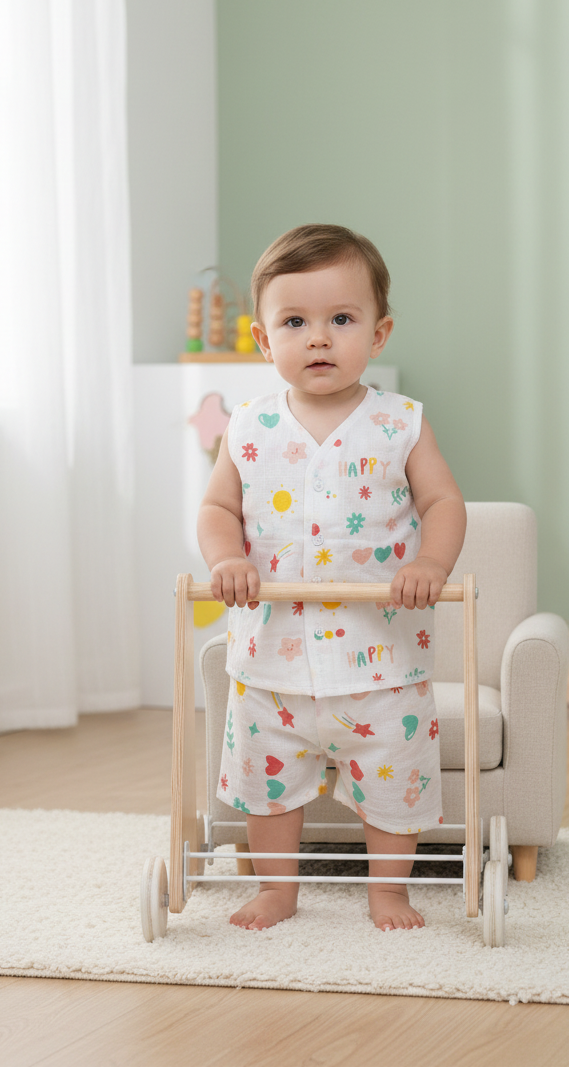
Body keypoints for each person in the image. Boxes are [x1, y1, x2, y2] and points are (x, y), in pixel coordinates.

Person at [197, 224, 467, 931]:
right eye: (295, 322)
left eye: (340, 320)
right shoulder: (248, 428)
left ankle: (389, 892)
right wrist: (226, 559)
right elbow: (219, 507)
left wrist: (430, 565)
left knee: (392, 780)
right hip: (272, 660)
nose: (318, 338)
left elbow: (441, 501)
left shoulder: (399, 423)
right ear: (263, 341)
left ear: (378, 335)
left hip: (379, 659)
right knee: (267, 785)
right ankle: (277, 890)